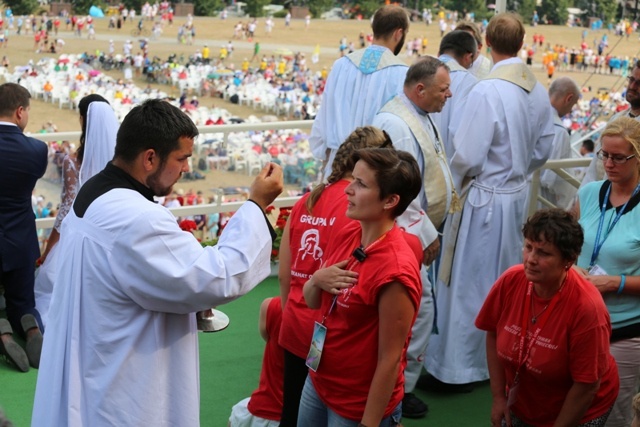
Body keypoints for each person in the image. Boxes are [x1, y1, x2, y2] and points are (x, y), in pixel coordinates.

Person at [31, 99, 284, 426]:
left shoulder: (95, 191)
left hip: (94, 358)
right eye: (182, 158)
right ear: (150, 158)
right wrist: (256, 204)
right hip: (122, 387)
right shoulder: (138, 219)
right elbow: (218, 276)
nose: (187, 169)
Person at [428, 12, 554, 388]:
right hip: (515, 197)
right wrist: (517, 171)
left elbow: (466, 154)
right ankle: (497, 361)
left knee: (470, 283)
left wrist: (471, 178)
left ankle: (459, 366)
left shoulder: (488, 89)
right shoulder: (537, 88)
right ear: (521, 42)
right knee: (504, 280)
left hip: (484, 198)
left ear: (487, 41)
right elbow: (545, 146)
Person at [299, 147, 423, 427]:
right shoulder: (350, 232)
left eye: (361, 184)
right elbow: (312, 301)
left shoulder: (395, 271)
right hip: (318, 381)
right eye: (353, 179)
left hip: (357, 404)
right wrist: (317, 278)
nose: (348, 190)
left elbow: (390, 360)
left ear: (390, 200)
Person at [278, 127, 390, 426]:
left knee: (291, 413)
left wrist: (291, 311)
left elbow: (285, 272)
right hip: (326, 333)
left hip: (294, 322)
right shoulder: (356, 209)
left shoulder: (308, 199)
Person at [476, 208, 618, 427]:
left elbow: (587, 385)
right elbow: (493, 333)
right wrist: (498, 398)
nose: (531, 259)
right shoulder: (511, 280)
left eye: (543, 253)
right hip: (524, 400)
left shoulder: (587, 308)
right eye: (529, 247)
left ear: (568, 261)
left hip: (580, 408)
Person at [372, 56, 456, 418]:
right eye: (443, 89)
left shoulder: (417, 114)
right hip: (405, 233)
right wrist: (425, 234)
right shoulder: (397, 122)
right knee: (416, 314)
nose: (449, 95)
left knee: (419, 313)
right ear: (419, 89)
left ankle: (400, 384)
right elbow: (399, 188)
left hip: (416, 230)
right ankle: (398, 389)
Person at [575, 117, 640, 427]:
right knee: (568, 406)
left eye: (618, 158)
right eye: (604, 155)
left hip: (624, 329)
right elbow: (566, 244)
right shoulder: (588, 194)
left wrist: (614, 282)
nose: (609, 164)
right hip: (577, 321)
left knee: (613, 414)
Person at [34, 95, 118, 328]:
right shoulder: (120, 160)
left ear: (83, 120)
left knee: (50, 287)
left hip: (78, 235)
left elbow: (66, 208)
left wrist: (49, 247)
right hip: (109, 233)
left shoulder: (73, 162)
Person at [309, 5, 409, 178]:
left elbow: (325, 114)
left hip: (336, 165)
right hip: (375, 170)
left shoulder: (341, 65)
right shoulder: (402, 73)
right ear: (398, 33)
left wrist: (326, 157)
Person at [0, 83, 47, 372]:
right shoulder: (36, 150)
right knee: (23, 300)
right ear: (20, 112)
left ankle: (3, 332)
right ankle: (30, 329)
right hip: (20, 238)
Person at [581, 62, 640, 188]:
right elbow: (594, 169)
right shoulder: (616, 118)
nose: (633, 87)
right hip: (601, 198)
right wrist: (583, 200)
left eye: (639, 83)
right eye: (632, 80)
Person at [228, 297, 284, 427]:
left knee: (236, 417)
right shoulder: (326, 315)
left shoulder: (271, 306)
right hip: (306, 410)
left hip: (269, 409)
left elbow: (266, 336)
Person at [431, 29, 478, 159]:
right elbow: (464, 136)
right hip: (451, 167)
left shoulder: (418, 71)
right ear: (468, 57)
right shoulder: (469, 82)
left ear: (440, 52)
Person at [539, 77, 580, 210]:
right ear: (568, 98)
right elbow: (548, 179)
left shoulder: (532, 114)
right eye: (572, 105)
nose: (570, 111)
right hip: (540, 198)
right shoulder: (558, 131)